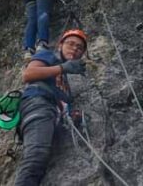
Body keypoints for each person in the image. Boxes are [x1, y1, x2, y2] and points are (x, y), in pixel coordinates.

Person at [14, 29, 87, 186]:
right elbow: (28, 74)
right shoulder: (49, 55)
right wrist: (62, 68)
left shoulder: (65, 82)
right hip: (38, 103)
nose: (75, 49)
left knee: (39, 160)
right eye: (71, 44)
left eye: (79, 48)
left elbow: (62, 103)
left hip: (51, 114)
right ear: (60, 45)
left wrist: (71, 115)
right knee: (35, 157)